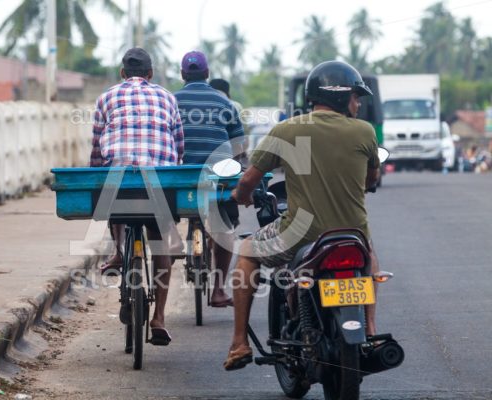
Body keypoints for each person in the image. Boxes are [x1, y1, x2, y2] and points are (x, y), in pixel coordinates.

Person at [223, 60, 381, 370]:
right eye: (355, 97)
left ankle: (239, 343)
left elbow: (248, 180)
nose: (358, 104)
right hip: (353, 235)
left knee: (246, 253)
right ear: (341, 96)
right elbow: (371, 180)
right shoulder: (365, 132)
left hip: (301, 235)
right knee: (370, 258)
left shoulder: (287, 129)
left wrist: (239, 197)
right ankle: (371, 330)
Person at [91, 47, 184, 345]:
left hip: (119, 185)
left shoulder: (106, 97)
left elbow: (96, 146)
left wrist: (95, 172)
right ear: (150, 74)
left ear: (122, 73)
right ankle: (159, 317)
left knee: (114, 187)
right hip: (159, 184)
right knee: (160, 244)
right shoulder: (168, 97)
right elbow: (179, 143)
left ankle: (119, 251)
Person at [174, 51, 245, 307]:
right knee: (225, 229)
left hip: (178, 178)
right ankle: (218, 290)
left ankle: (171, 244)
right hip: (218, 178)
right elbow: (239, 144)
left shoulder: (171, 101)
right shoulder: (225, 102)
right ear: (207, 74)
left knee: (164, 213)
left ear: (183, 74)